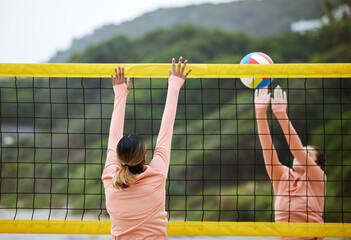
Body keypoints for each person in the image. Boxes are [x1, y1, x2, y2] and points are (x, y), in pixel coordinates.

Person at [101, 57, 192, 239]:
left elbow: (113, 138)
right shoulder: (156, 175)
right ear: (144, 158)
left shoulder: (110, 179)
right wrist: (174, 86)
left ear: (119, 158)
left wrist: (120, 95)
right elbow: (166, 131)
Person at [254, 86, 326, 240]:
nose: (301, 155)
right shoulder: (281, 175)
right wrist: (260, 113)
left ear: (317, 165)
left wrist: (281, 114)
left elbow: (297, 150)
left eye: (308, 154)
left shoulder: (318, 178)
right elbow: (267, 147)